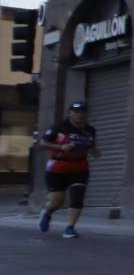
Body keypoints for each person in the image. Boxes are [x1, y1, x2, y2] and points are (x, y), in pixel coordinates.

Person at [35, 101, 97, 239]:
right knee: (57, 202)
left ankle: (70, 228)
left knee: (77, 197)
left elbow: (91, 147)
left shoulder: (90, 130)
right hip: (59, 166)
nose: (79, 115)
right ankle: (47, 212)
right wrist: (61, 147)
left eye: (82, 112)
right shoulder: (60, 127)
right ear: (70, 113)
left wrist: (95, 152)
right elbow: (43, 142)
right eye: (76, 112)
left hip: (80, 167)